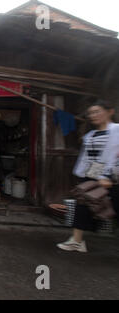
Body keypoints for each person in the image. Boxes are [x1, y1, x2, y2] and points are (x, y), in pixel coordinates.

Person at [57, 101, 119, 253]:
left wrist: (108, 176)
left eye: (97, 111)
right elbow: (87, 158)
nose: (93, 115)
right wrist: (82, 174)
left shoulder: (117, 130)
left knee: (116, 207)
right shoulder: (90, 135)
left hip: (113, 176)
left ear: (110, 111)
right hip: (92, 174)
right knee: (82, 205)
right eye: (91, 113)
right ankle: (77, 241)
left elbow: (115, 156)